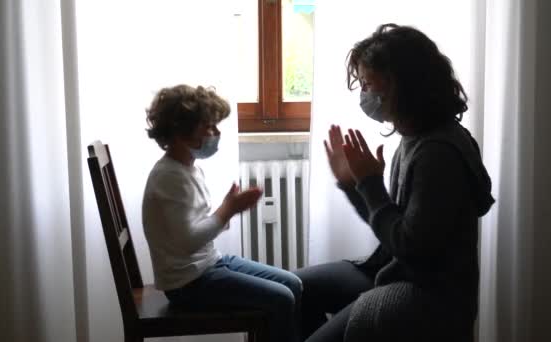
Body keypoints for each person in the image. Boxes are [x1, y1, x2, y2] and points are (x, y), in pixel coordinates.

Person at [295, 23, 495, 342]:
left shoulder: (438, 152)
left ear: (399, 84)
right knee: (294, 291)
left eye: (367, 83)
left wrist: (370, 183)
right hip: (398, 270)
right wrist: (354, 184)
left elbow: (412, 248)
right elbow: (391, 227)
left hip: (428, 296)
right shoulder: (413, 136)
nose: (364, 93)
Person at [142, 84, 302, 342]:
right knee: (282, 298)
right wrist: (228, 210)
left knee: (293, 284)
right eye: (209, 126)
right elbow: (187, 242)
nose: (216, 133)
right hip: (188, 285)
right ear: (181, 130)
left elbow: (196, 229)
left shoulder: (188, 169)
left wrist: (228, 208)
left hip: (209, 265)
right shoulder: (169, 176)